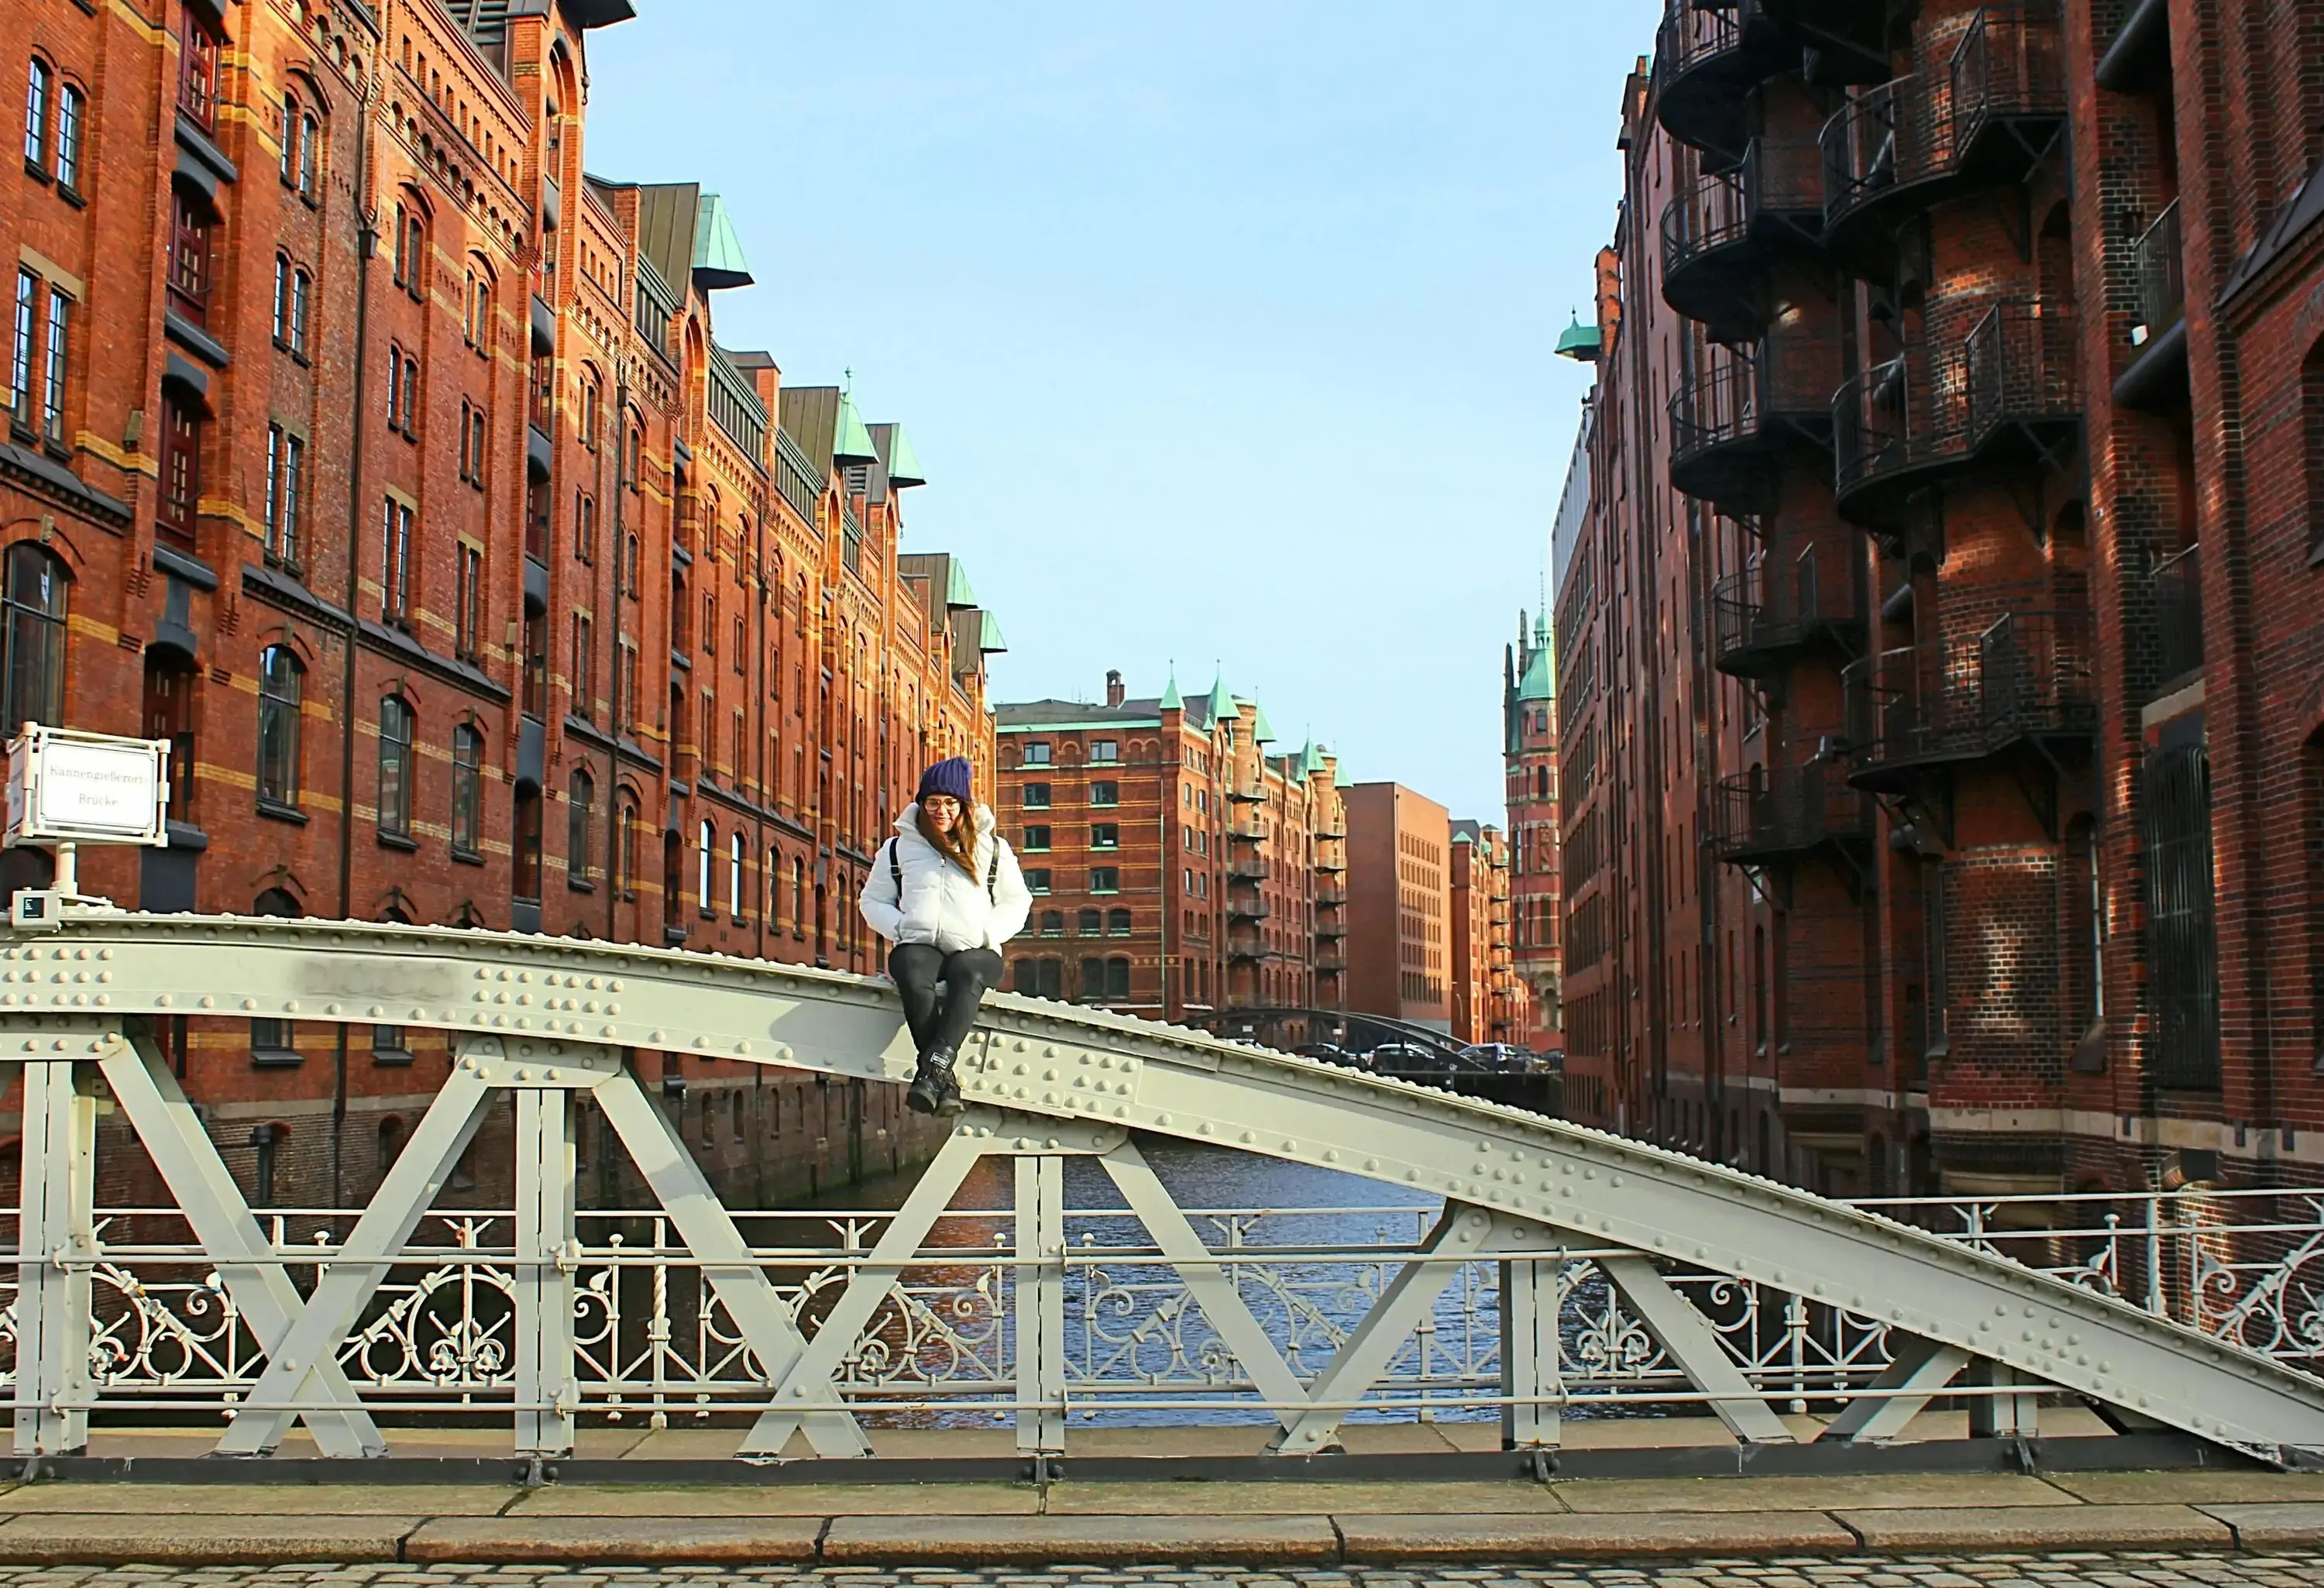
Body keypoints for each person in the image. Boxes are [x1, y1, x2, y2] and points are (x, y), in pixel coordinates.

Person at [859, 756, 1033, 1115]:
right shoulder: (898, 848)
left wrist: (988, 932)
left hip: (976, 950)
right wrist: (902, 928)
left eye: (950, 803)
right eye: (933, 802)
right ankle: (942, 1076)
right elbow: (872, 900)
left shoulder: (991, 849)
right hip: (920, 944)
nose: (941, 811)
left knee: (968, 975)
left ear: (963, 806)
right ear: (922, 804)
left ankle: (932, 1072)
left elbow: (1017, 901)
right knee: (910, 971)